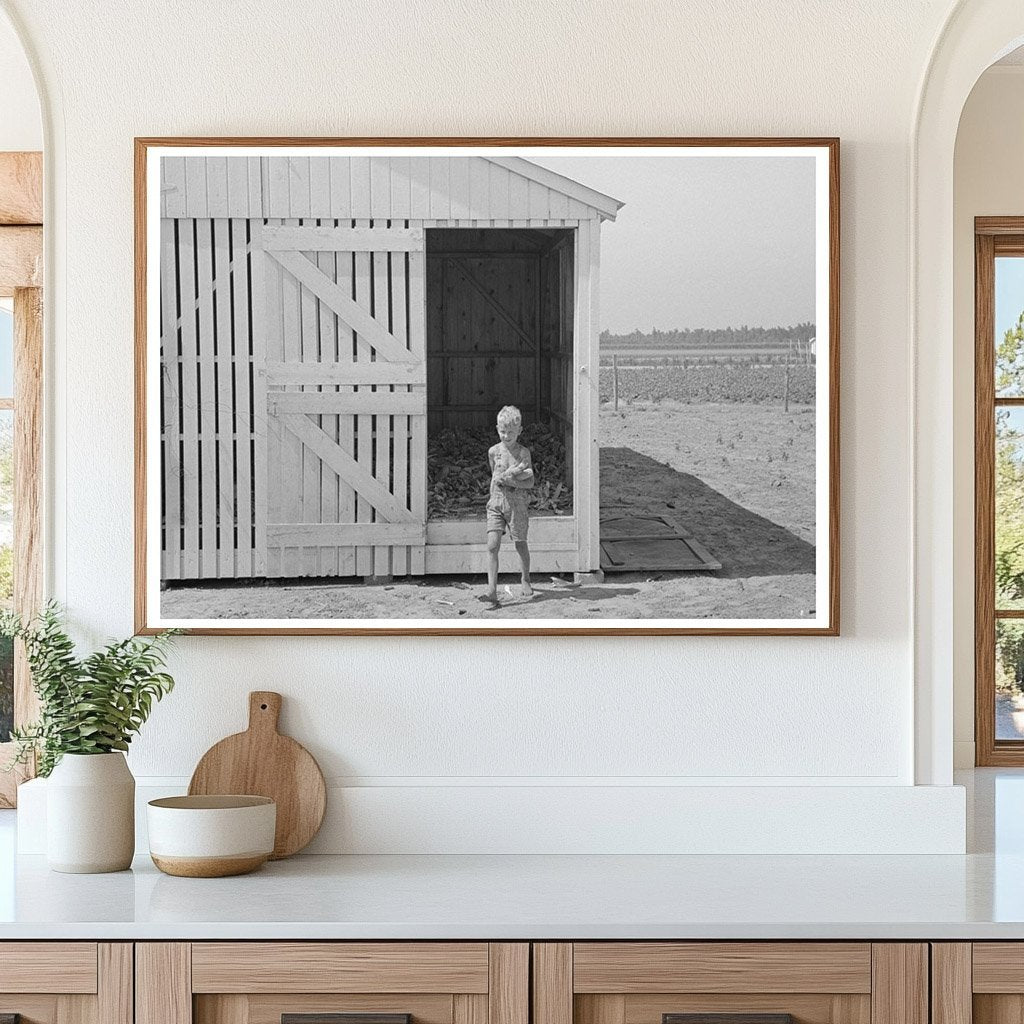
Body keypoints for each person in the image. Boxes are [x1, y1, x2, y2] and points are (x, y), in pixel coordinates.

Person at [484, 405, 536, 607]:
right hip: (495, 503)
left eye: (511, 433)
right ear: (497, 428)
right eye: (502, 432)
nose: (506, 436)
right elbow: (494, 474)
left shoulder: (523, 454)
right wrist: (503, 480)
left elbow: (530, 482)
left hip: (517, 505)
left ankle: (525, 579)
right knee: (492, 545)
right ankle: (491, 590)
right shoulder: (493, 452)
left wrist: (510, 480)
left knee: (520, 543)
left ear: (520, 431)